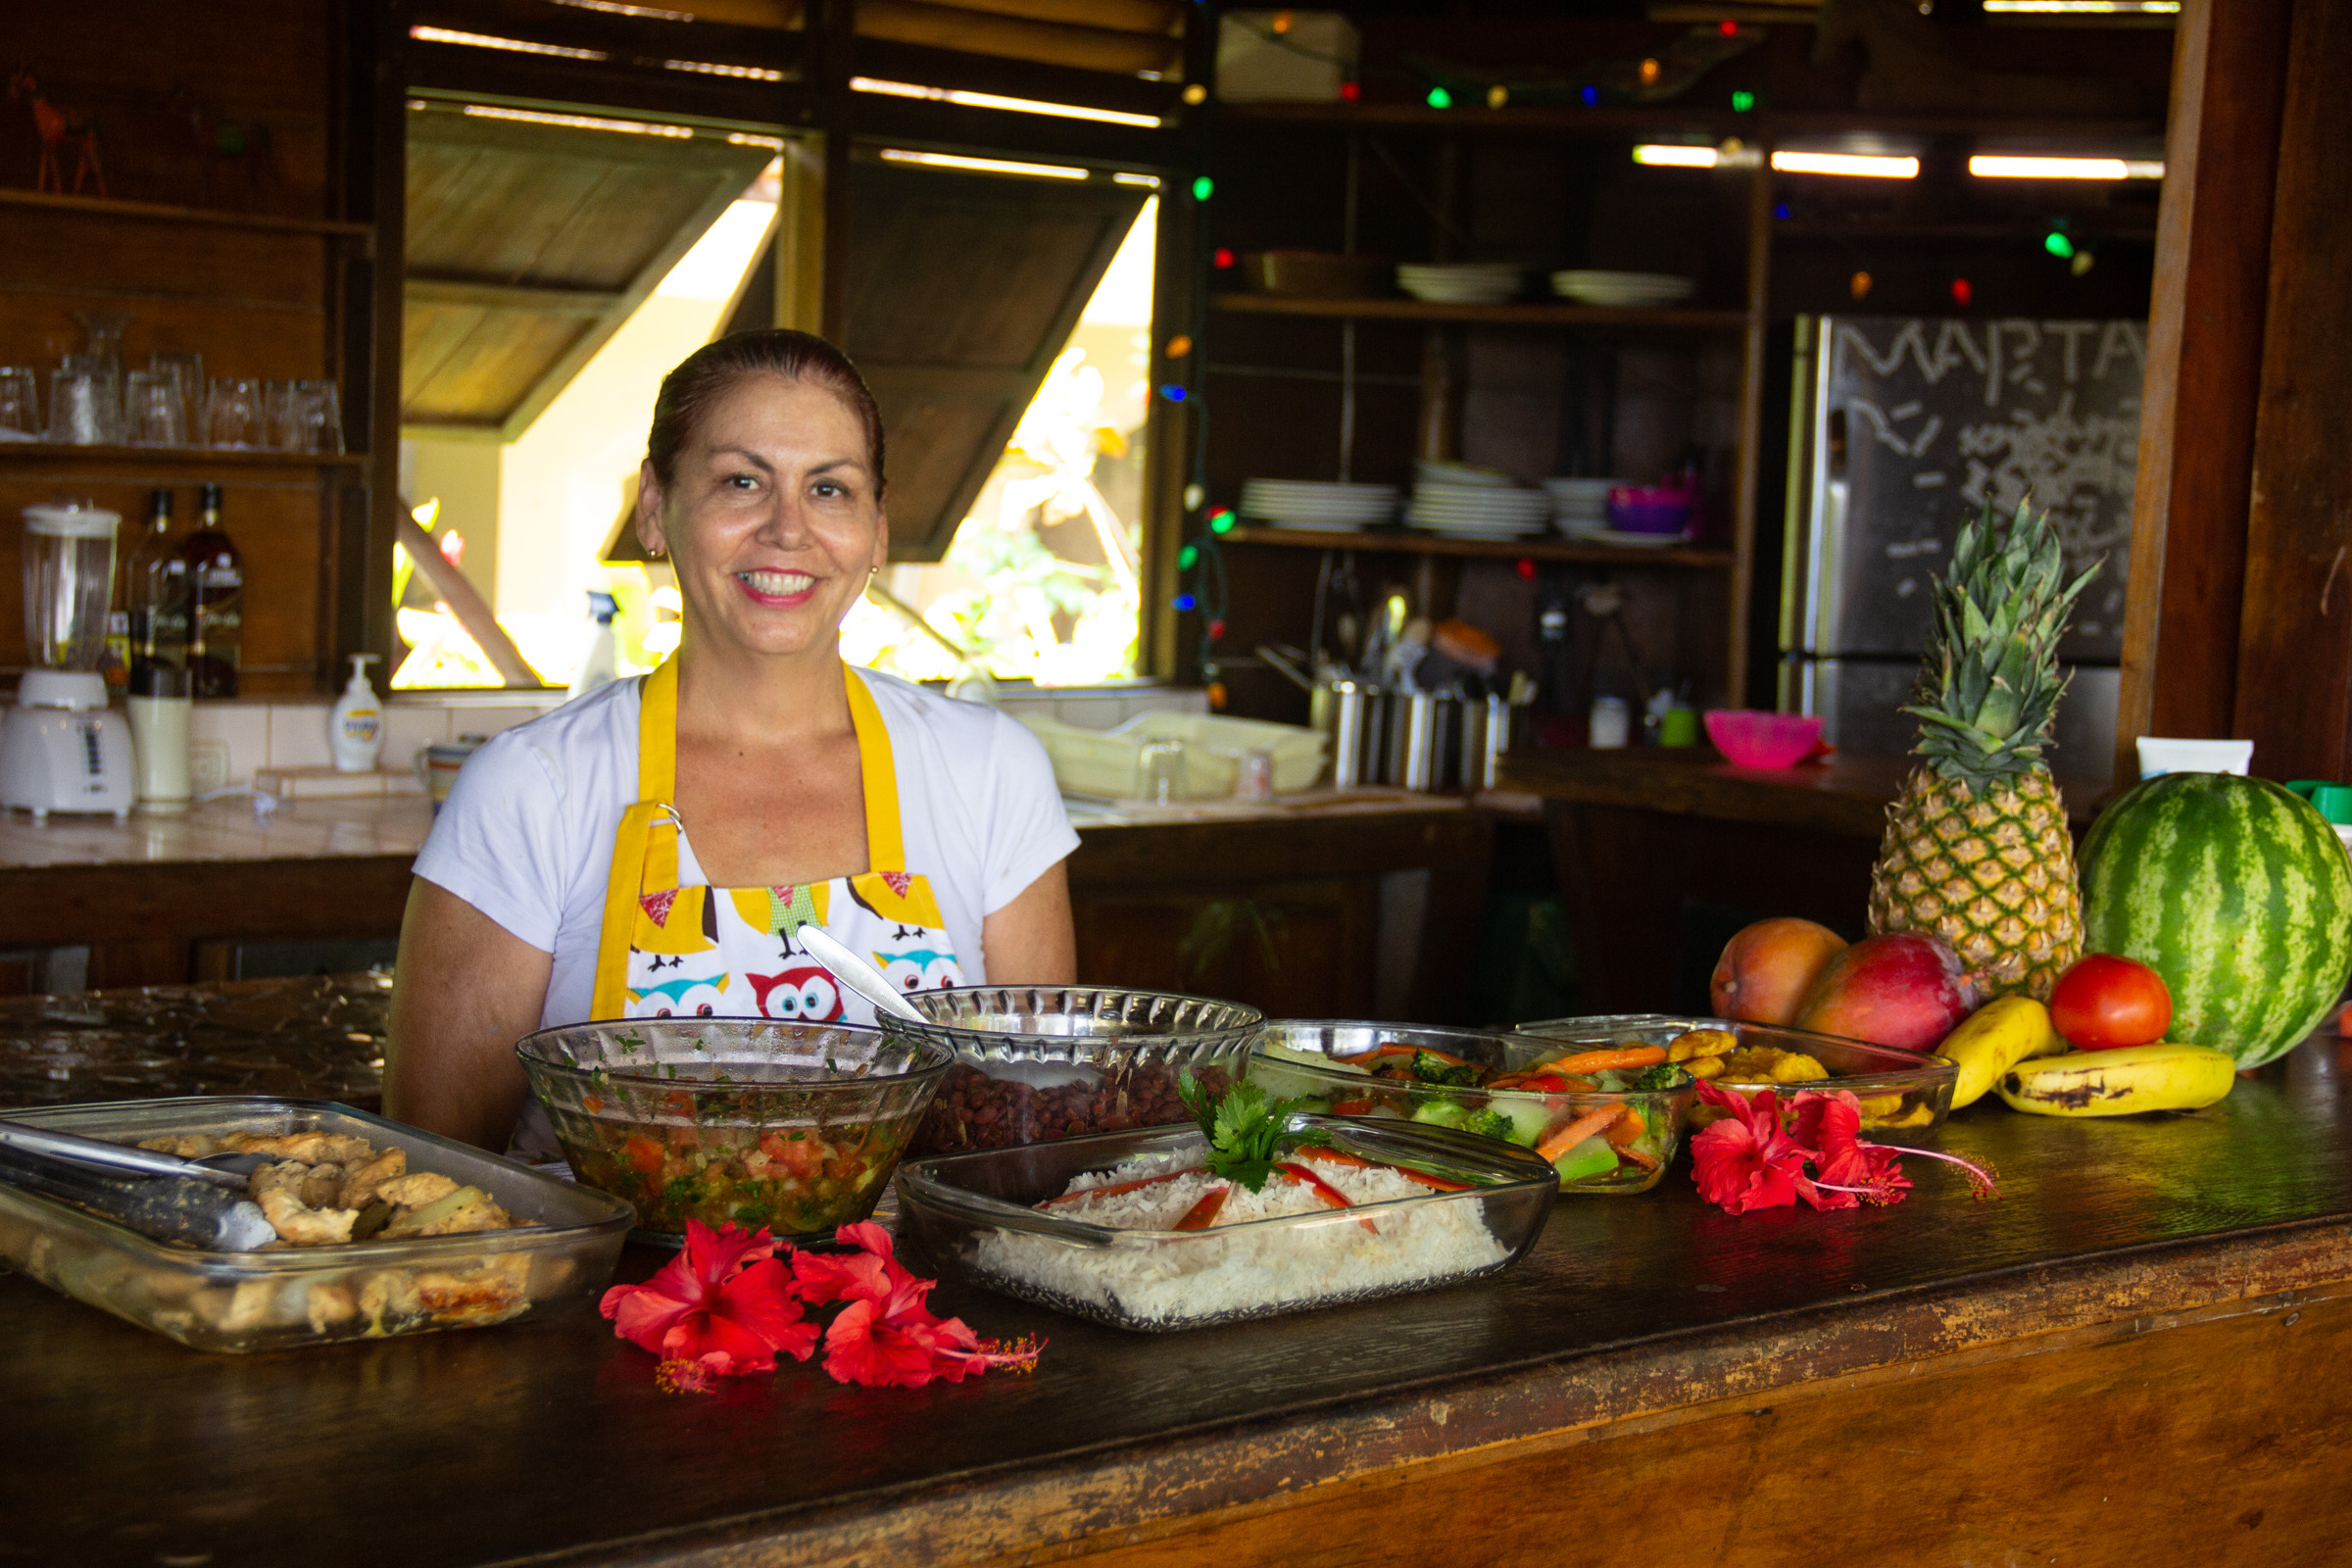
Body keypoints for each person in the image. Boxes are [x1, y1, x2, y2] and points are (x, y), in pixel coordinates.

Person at [386, 330, 1078, 1152]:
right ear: (655, 506)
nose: (788, 529)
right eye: (742, 482)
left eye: (829, 489)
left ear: (878, 529)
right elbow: (435, 1170)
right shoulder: (532, 788)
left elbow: (1034, 1132)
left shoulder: (991, 772)